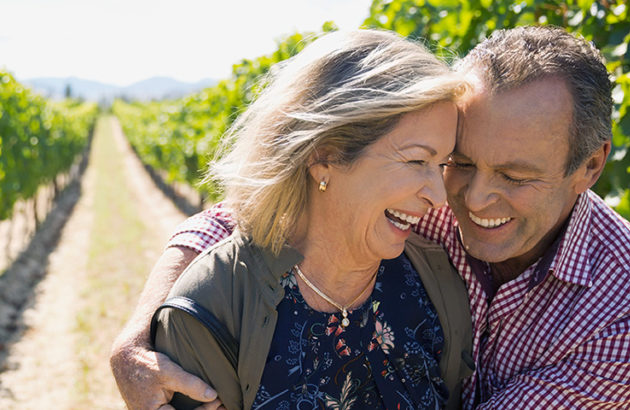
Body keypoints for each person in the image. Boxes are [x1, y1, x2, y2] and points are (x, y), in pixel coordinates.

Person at [111, 26, 630, 409]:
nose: (467, 199)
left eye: (516, 177)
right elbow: (260, 210)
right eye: (458, 160)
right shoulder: (418, 202)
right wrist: (147, 326)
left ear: (590, 165)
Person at [146, 29, 473, 410]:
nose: (437, 195)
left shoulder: (438, 285)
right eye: (417, 161)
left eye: (442, 164)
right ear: (324, 157)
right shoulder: (213, 308)